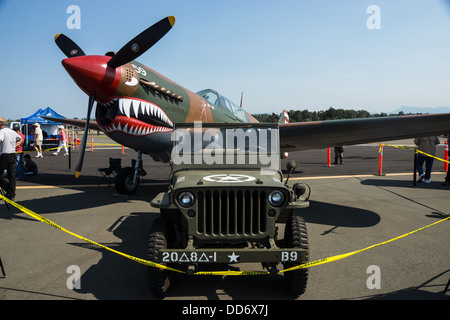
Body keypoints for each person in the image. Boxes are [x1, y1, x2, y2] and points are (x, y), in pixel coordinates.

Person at [0, 117, 23, 200]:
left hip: (4, 155)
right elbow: (21, 138)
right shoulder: (12, 131)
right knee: (11, 176)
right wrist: (15, 145)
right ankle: (11, 194)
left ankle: (8, 190)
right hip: (12, 154)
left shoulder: (2, 132)